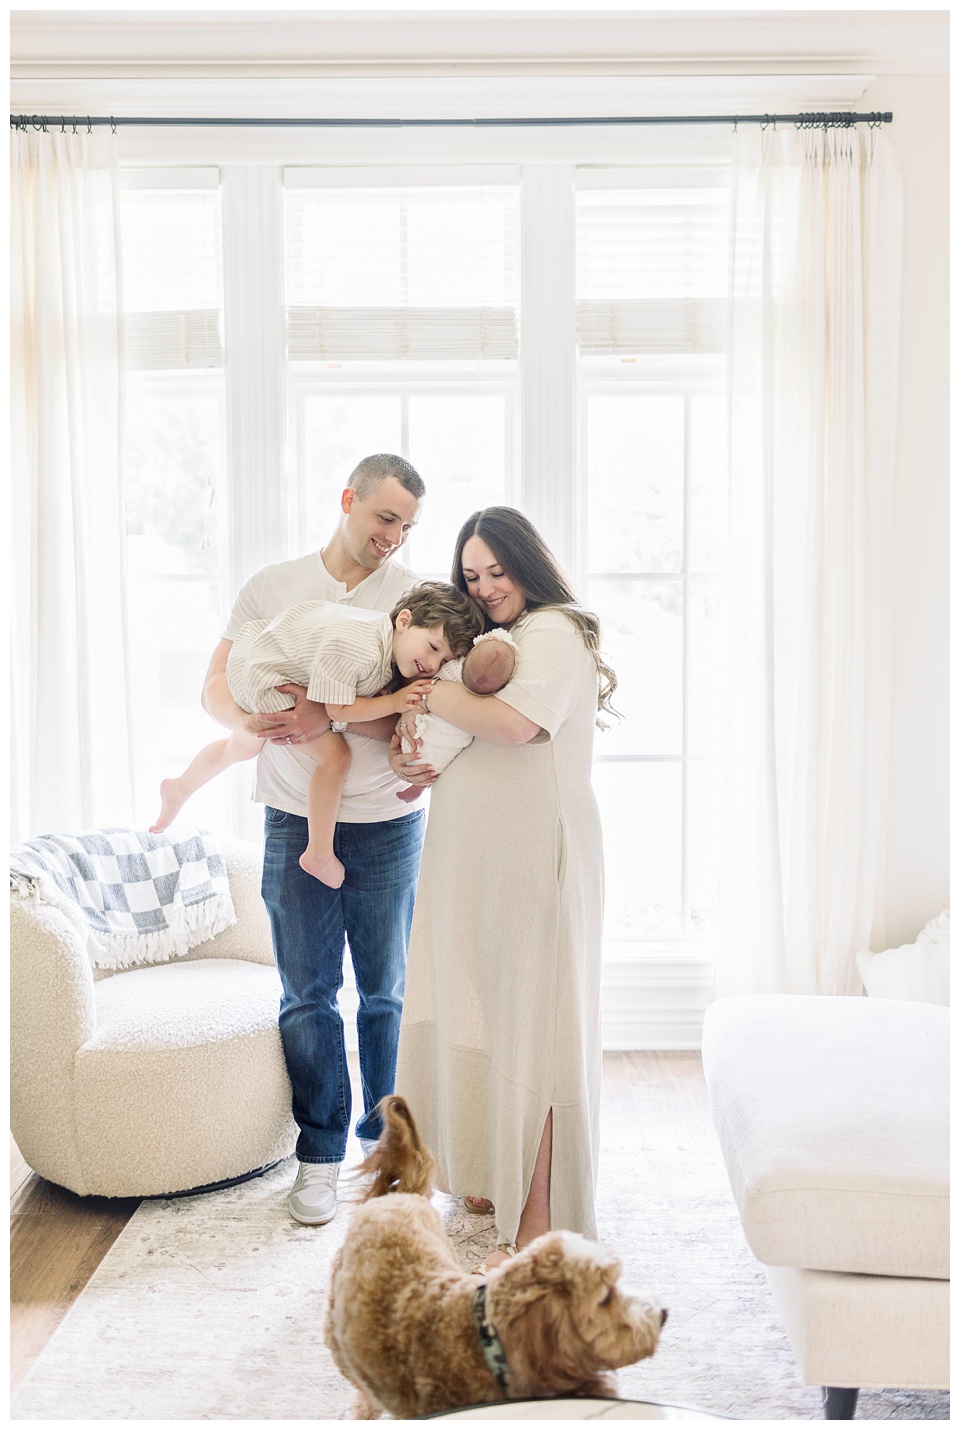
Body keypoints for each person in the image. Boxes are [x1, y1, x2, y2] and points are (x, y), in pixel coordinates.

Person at [200, 453, 431, 1226]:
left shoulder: (415, 601)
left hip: (389, 824)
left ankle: (387, 1154)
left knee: (387, 995)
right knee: (306, 995)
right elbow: (216, 686)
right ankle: (320, 1156)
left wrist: (378, 734)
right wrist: (263, 721)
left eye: (406, 526)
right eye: (384, 518)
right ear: (348, 502)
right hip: (291, 820)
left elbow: (426, 706)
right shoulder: (273, 586)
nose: (394, 537)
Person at [392, 506, 617, 1266]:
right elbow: (461, 747)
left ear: (530, 563)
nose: (485, 588)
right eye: (471, 576)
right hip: (472, 856)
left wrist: (423, 694)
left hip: (533, 856)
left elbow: (518, 724)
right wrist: (412, 749)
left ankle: (538, 1220)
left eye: (498, 571)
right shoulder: (495, 643)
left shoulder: (556, 630)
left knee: (536, 1033)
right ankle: (489, 1182)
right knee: (481, 1020)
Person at [151, 583, 482, 886]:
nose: (434, 663)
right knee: (335, 757)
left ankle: (180, 787)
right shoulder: (362, 648)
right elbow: (335, 712)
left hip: (262, 657)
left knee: (243, 745)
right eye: (433, 647)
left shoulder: (381, 640)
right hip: (270, 677)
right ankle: (318, 853)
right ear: (404, 620)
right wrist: (394, 701)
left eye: (445, 659)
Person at [395, 630, 518, 802]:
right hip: (447, 745)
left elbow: (431, 682)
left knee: (416, 739)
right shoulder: (493, 690)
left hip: (421, 738)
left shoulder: (456, 669)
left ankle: (418, 785)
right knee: (438, 757)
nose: (435, 664)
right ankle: (418, 787)